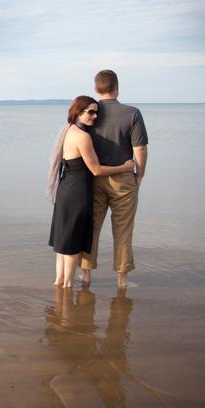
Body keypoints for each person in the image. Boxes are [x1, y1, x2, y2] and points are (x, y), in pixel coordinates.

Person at [48, 96, 135, 288]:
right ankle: (67, 292)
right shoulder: (83, 136)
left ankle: (60, 289)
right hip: (77, 192)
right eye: (90, 112)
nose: (95, 116)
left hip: (65, 189)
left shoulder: (68, 130)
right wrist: (125, 167)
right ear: (78, 112)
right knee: (71, 245)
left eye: (96, 112)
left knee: (62, 243)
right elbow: (96, 169)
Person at [80, 70, 149, 289]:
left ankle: (86, 276)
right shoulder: (132, 113)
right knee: (123, 231)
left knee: (91, 229)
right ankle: (121, 281)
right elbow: (140, 149)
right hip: (123, 179)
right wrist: (140, 174)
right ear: (117, 87)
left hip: (94, 178)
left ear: (96, 89)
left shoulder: (90, 112)